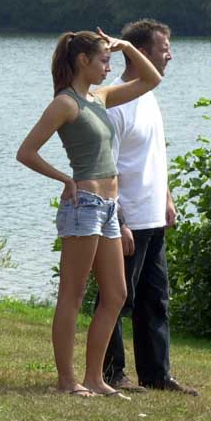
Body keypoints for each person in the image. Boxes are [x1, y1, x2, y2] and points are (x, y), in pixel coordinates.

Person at [16, 29, 162, 397]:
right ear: (83, 61)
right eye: (103, 60)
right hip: (84, 207)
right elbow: (27, 152)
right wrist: (65, 178)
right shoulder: (66, 104)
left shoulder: (101, 97)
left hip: (110, 208)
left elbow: (152, 79)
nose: (108, 67)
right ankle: (67, 380)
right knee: (74, 293)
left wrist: (127, 45)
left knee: (116, 294)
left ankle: (95, 378)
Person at [101, 19, 198, 395]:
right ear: (140, 53)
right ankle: (111, 372)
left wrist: (168, 198)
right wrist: (119, 220)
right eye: (163, 49)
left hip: (154, 216)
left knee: (155, 299)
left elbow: (155, 155)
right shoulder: (114, 102)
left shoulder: (150, 97)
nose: (169, 55)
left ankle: (157, 375)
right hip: (127, 219)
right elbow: (104, 168)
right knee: (117, 298)